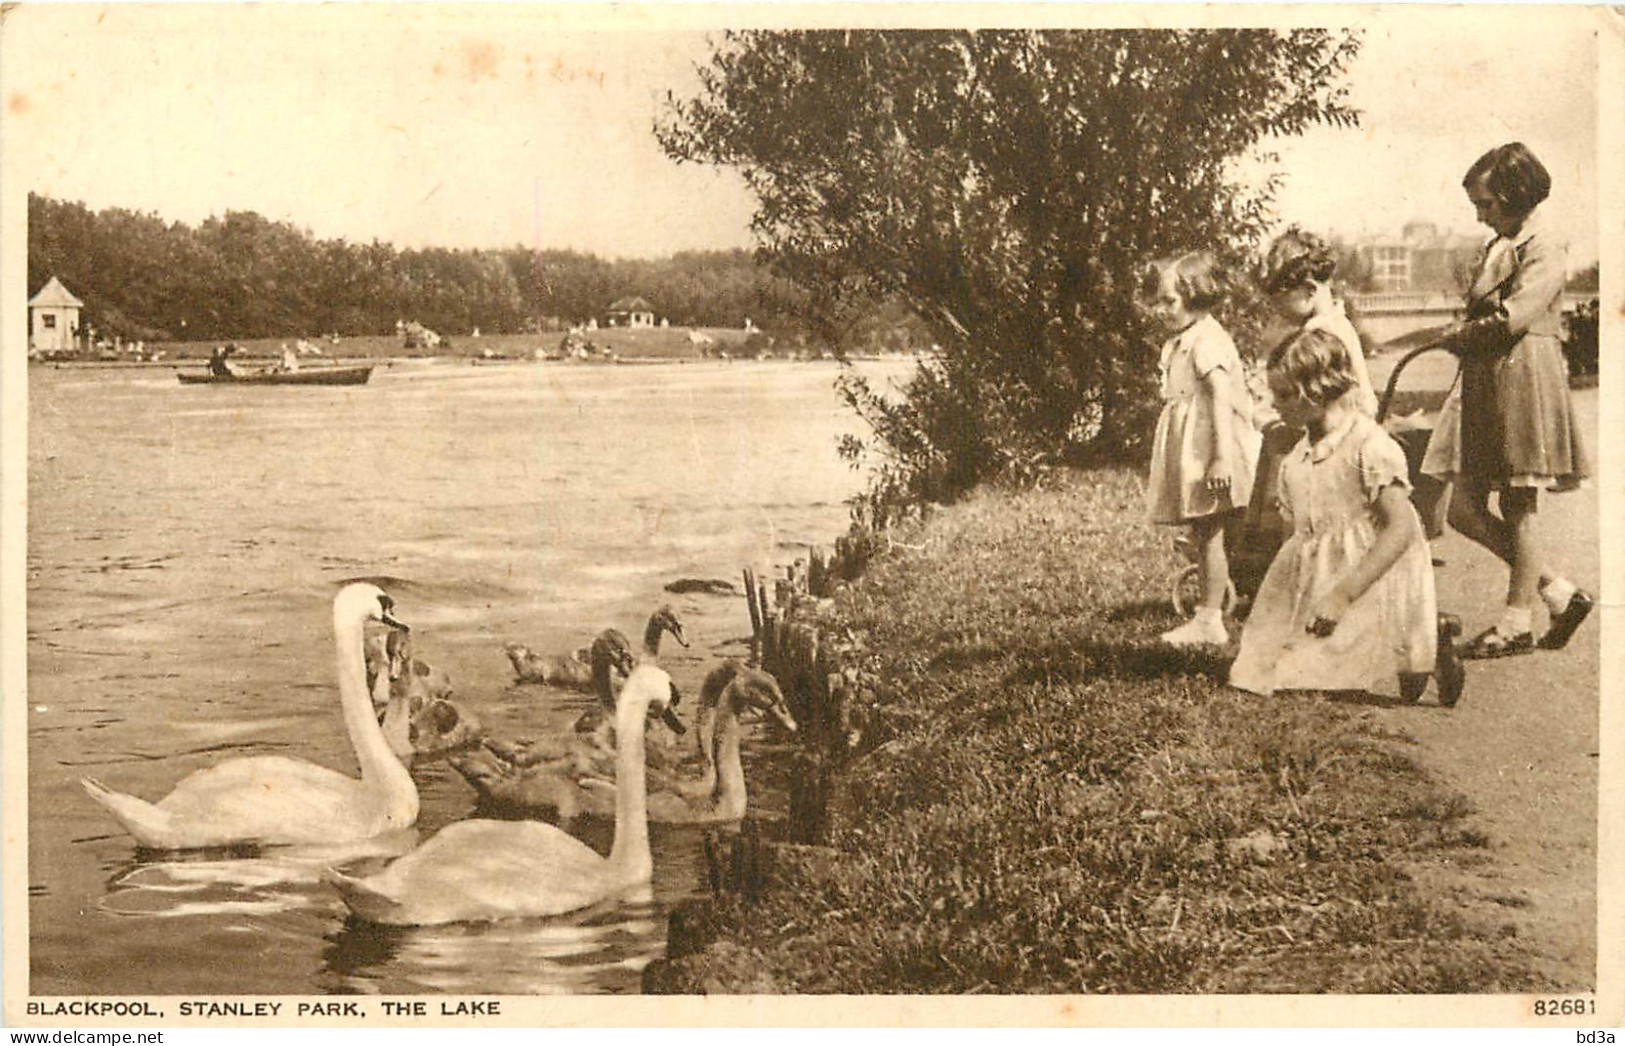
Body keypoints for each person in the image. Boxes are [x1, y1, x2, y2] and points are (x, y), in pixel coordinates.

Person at [1420, 142, 1592, 659]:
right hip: (1488, 378)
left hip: (1523, 377)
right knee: (1465, 511)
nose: (1479, 214)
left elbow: (1515, 316)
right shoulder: (1503, 242)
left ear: (1516, 195)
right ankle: (1559, 594)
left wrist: (1460, 334)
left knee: (1519, 502)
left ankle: (1517, 621)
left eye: (1487, 204)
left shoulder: (1544, 244)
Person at [1230, 328, 1461, 704]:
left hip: (1369, 576)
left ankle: (1430, 641)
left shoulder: (1369, 447)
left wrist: (1343, 594)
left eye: (1286, 395)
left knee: (1315, 677)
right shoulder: (1296, 460)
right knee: (1260, 670)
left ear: (1319, 391)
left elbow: (1400, 529)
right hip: (1323, 579)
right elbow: (1299, 536)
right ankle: (1410, 649)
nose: (1276, 405)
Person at [1143, 251, 1260, 647]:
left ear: (1196, 297)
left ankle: (1210, 619)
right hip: (1196, 443)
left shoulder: (1207, 342)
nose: (1160, 309)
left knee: (1209, 530)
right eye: (1158, 300)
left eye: (1168, 301)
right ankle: (1210, 609)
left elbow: (1221, 399)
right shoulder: (1187, 338)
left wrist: (1220, 457)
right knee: (1204, 529)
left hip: (1212, 443)